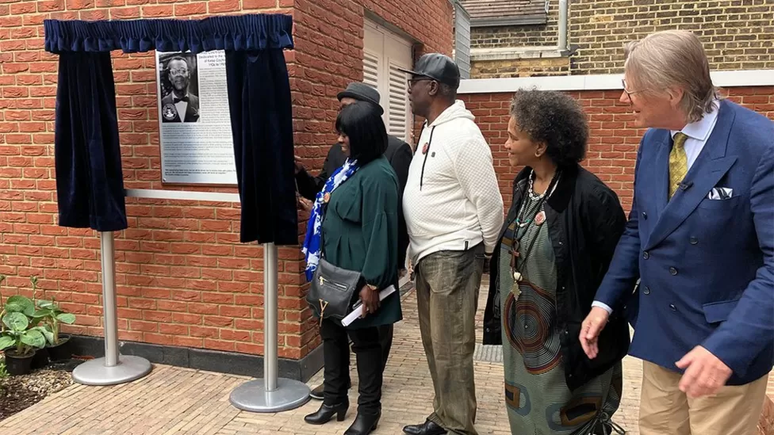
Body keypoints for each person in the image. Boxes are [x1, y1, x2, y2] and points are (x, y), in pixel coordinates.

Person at [580, 30, 774, 435]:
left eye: (630, 90)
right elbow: (640, 228)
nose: (622, 99)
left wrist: (727, 349)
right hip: (662, 340)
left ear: (672, 92)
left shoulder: (760, 147)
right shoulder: (653, 141)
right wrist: (604, 302)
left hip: (722, 354)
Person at [481, 89, 629, 434]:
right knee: (525, 416)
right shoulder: (525, 185)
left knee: (565, 422)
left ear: (541, 145)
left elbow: (619, 272)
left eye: (512, 137)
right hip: (523, 340)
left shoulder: (592, 198)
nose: (505, 144)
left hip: (566, 343)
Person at [400, 53, 504, 435]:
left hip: (454, 253)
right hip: (429, 253)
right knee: (435, 345)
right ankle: (443, 416)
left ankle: (458, 427)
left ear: (432, 87)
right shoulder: (432, 128)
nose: (408, 89)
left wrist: (486, 252)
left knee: (453, 346)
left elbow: (490, 203)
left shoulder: (462, 135)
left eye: (414, 81)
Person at [295, 82, 413, 400]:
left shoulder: (392, 155)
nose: (341, 114)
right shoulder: (342, 153)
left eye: (348, 107)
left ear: (368, 115)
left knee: (370, 332)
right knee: (332, 326)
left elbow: (390, 218)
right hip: (336, 261)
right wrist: (301, 176)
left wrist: (387, 271)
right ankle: (337, 392)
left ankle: (370, 392)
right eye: (341, 108)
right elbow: (321, 189)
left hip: (369, 262)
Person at [160, 56, 200, 123]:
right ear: (169, 77)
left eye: (182, 71)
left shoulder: (198, 102)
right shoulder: (161, 104)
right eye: (174, 72)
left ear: (189, 74)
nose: (178, 75)